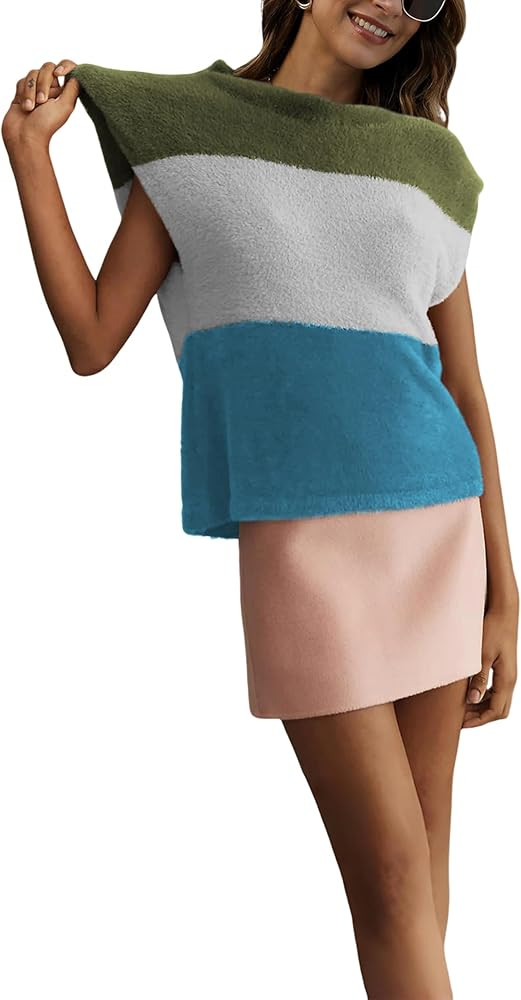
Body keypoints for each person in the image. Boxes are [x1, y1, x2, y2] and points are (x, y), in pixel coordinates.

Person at [3, 1, 518, 997]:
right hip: (301, 544)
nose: (387, 4)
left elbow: (463, 385)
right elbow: (92, 338)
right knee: (389, 877)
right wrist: (30, 158)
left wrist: (506, 593)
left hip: (438, 533)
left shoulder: (428, 162)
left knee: (418, 877)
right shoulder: (191, 132)